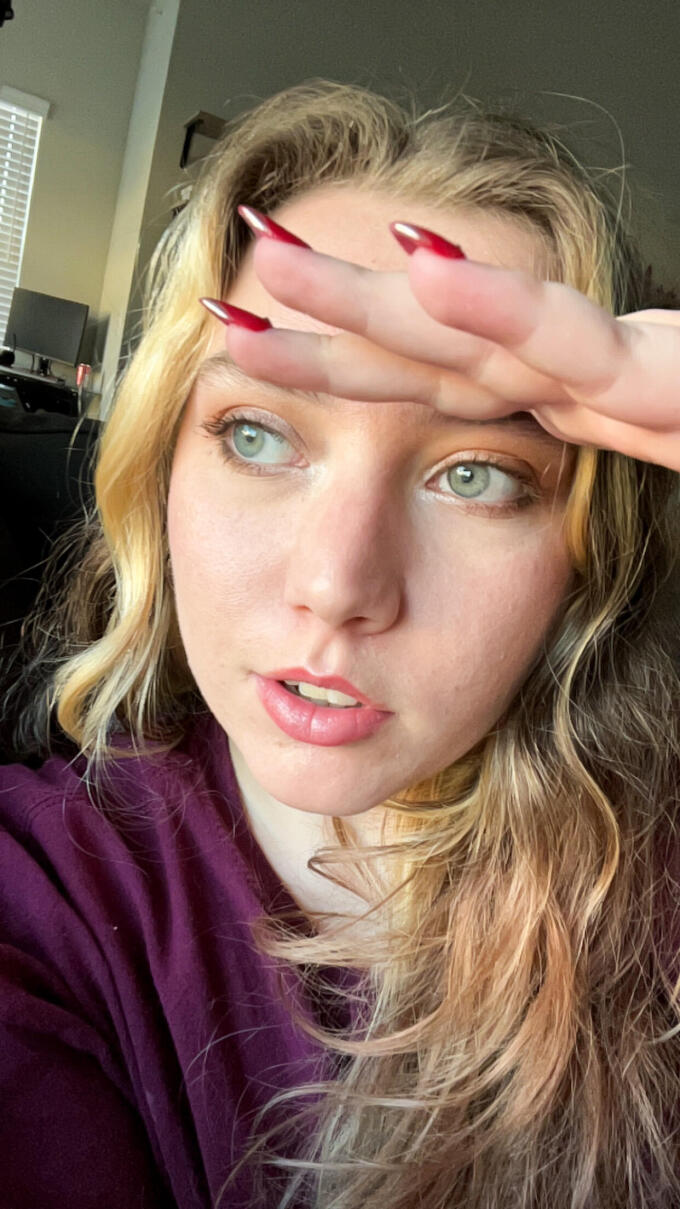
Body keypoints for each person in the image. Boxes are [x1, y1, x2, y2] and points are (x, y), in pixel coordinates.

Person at [1, 79, 679, 1209]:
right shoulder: (42, 907)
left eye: (477, 473)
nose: (337, 587)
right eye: (258, 434)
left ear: (587, 552)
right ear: (160, 468)